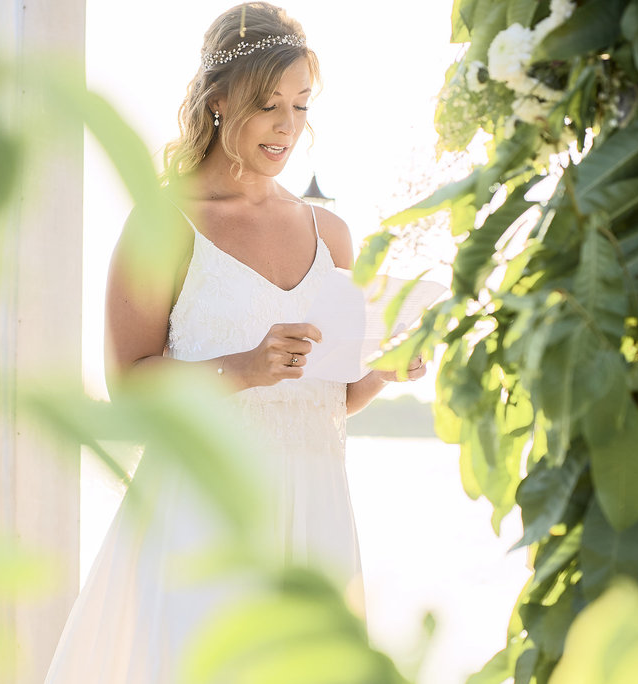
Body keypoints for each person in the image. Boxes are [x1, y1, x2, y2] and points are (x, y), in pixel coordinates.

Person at [44, 3, 425, 682]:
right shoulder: (164, 222)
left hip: (316, 514)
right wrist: (244, 368)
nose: (287, 125)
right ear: (218, 102)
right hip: (202, 516)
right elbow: (128, 385)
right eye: (268, 104)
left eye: (301, 105)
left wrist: (384, 373)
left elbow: (327, 398)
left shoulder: (329, 235)